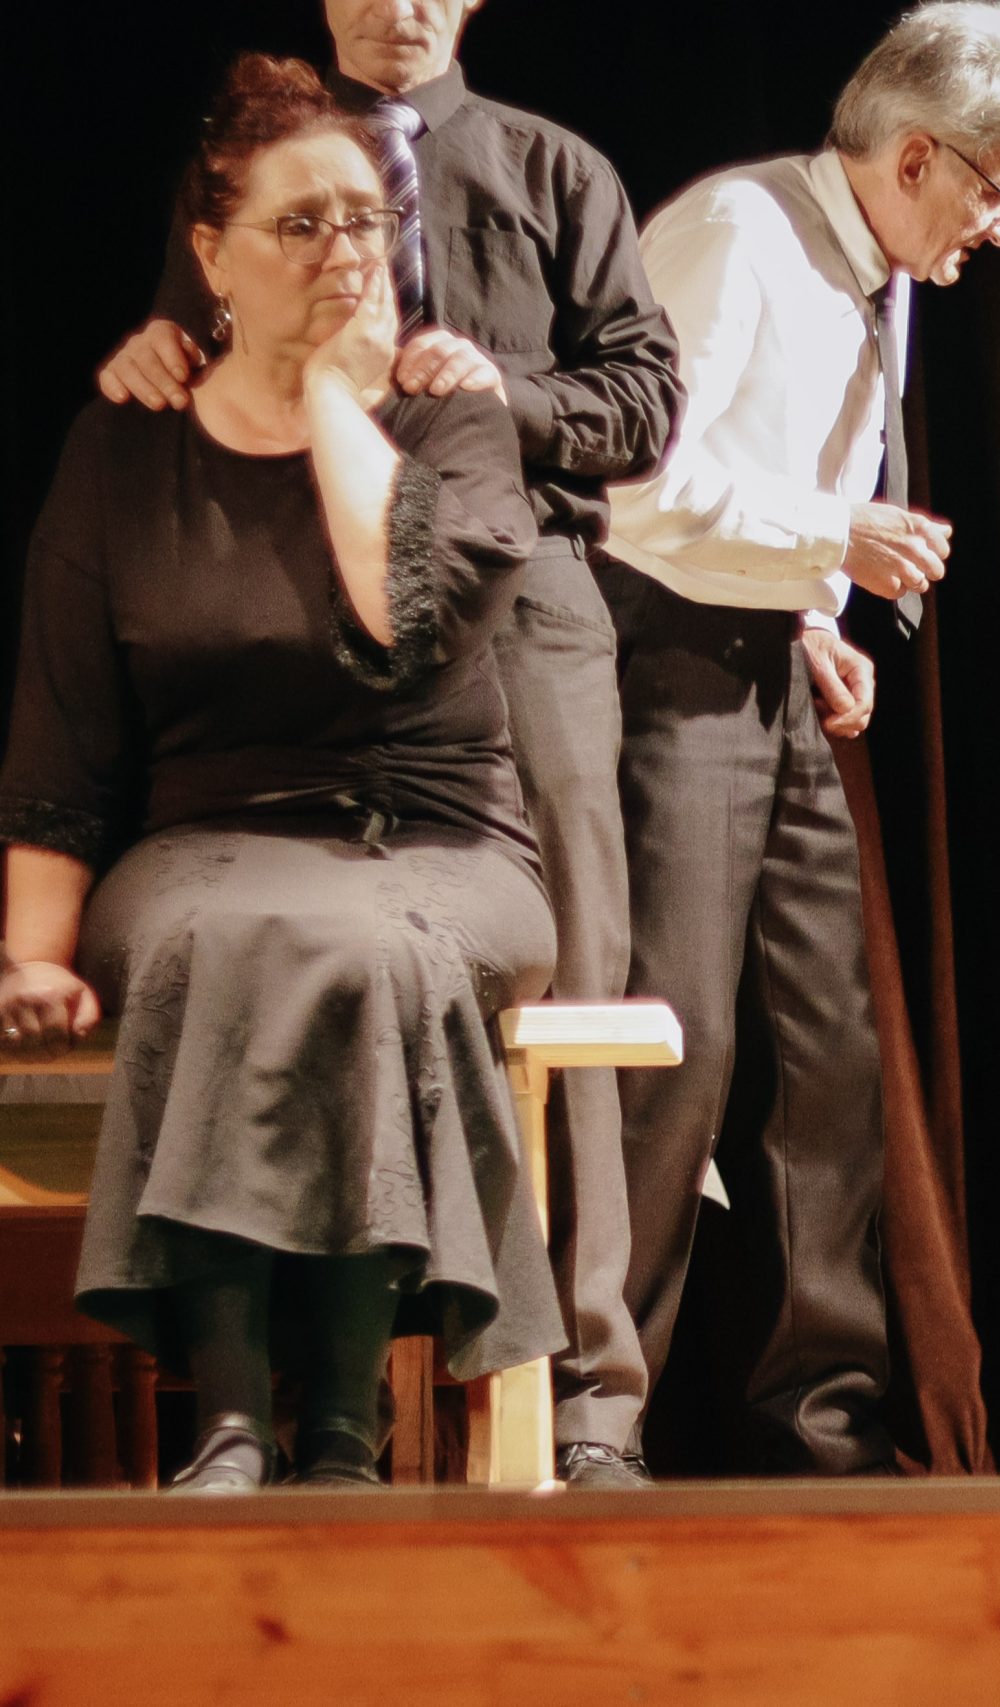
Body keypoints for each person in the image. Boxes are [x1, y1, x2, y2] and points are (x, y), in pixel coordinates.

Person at [95, 0, 682, 1487]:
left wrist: (496, 390)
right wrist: (160, 352)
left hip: (518, 594)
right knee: (311, 928)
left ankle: (587, 1389)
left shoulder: (556, 169)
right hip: (304, 591)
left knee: (567, 974)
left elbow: (645, 400)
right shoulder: (254, 167)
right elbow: (207, 338)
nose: (400, 5)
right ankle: (309, 1386)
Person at [0, 53, 559, 1491]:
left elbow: (405, 622)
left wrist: (327, 398)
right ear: (211, 255)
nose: (342, 252)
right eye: (299, 224)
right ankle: (235, 1418)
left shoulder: (451, 418)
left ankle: (342, 1427)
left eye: (366, 221)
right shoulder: (124, 446)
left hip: (436, 839)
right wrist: (33, 953)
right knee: (223, 935)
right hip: (206, 838)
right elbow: (64, 728)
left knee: (368, 949)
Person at [602, 0, 1000, 1474]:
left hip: (769, 664)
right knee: (669, 1053)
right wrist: (831, 540)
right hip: (666, 668)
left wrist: (811, 614)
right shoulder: (737, 234)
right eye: (996, 192)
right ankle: (594, 1416)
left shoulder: (885, 267)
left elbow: (768, 473)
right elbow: (633, 486)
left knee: (827, 1059)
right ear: (916, 155)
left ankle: (824, 1436)